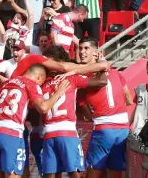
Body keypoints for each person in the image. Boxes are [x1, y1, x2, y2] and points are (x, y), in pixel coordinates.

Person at [60, 37, 133, 178]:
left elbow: (87, 115)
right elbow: (128, 99)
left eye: (86, 48)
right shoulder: (114, 71)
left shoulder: (84, 76)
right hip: (123, 128)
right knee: (116, 172)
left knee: (92, 172)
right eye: (80, 48)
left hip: (104, 128)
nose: (82, 52)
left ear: (96, 52)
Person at [0, 63, 70, 178]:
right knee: (13, 175)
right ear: (39, 77)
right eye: (41, 82)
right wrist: (58, 94)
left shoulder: (9, 81)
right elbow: (43, 108)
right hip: (11, 133)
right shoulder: (32, 84)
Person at [41, 44, 108, 178]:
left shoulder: (41, 83)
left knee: (50, 174)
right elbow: (102, 81)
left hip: (47, 133)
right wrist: (100, 62)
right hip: (67, 132)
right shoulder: (71, 78)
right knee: (75, 173)